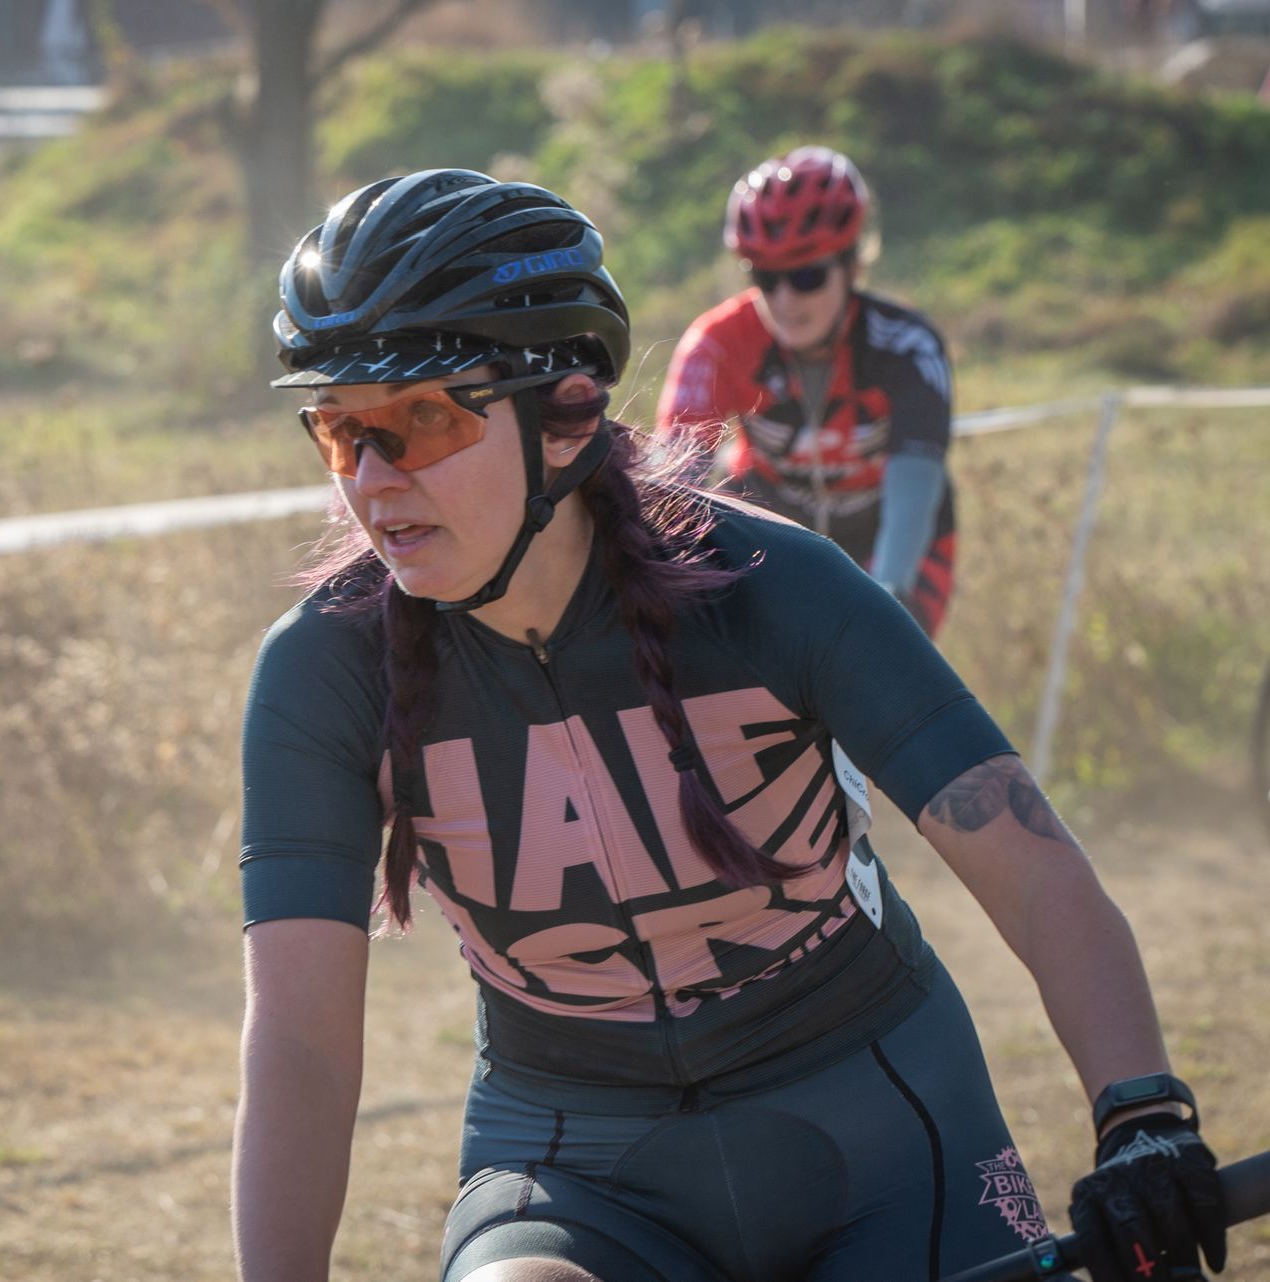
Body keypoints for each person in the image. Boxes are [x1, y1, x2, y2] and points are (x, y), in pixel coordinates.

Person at [233, 170, 1226, 1282]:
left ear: (562, 417)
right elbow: (304, 1046)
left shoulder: (772, 583)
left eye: (419, 421)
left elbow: (1035, 871)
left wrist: (1142, 1111)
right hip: (575, 1167)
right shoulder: (322, 671)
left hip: (888, 1129)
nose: (372, 482)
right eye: (338, 431)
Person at [655, 147, 958, 636]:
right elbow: (674, 483)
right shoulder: (715, 344)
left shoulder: (907, 348)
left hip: (884, 524)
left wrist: (883, 604)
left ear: (854, 264)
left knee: (880, 667)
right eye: (765, 277)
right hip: (772, 524)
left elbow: (915, 490)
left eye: (806, 276)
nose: (784, 301)